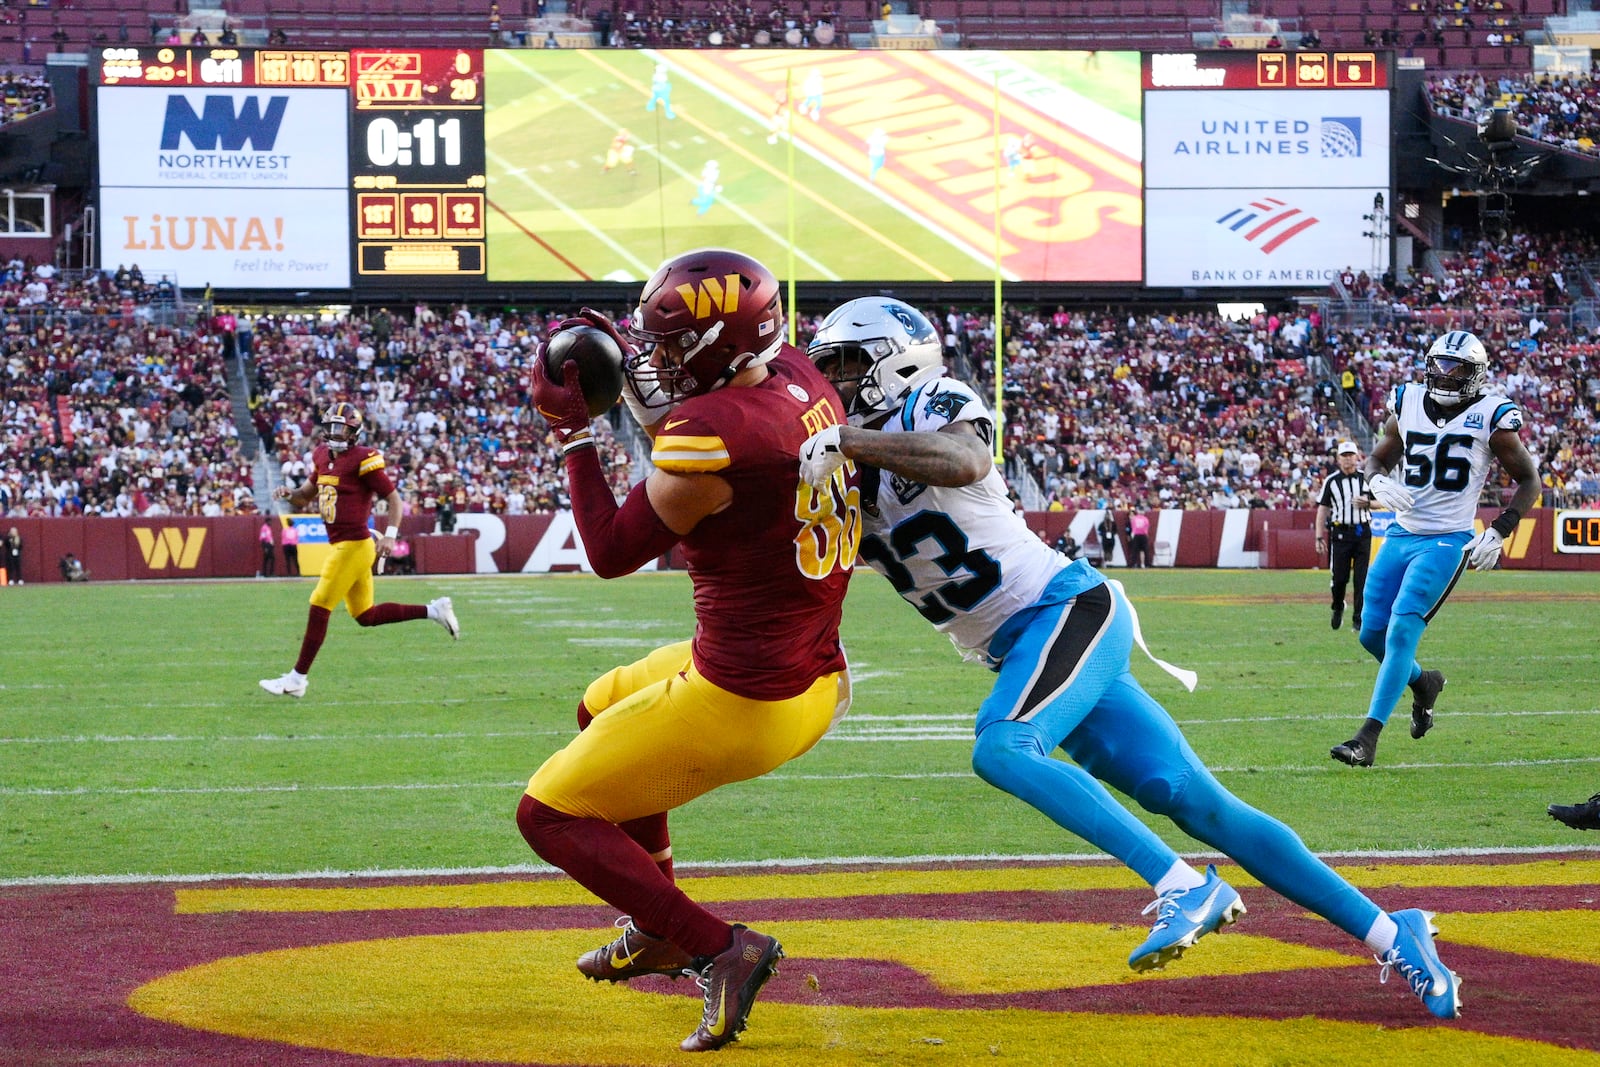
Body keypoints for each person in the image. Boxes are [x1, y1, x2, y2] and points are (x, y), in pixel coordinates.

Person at [796, 297, 1462, 1020]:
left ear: (895, 356)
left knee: (1004, 746)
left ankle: (1182, 884)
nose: (835, 379)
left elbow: (965, 458)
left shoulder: (931, 401)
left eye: (847, 362)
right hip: (1024, 645)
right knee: (1200, 803)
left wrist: (848, 441)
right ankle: (1397, 932)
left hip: (1066, 609)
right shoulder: (844, 461)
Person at [513, 249, 859, 1053]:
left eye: (674, 346)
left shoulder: (716, 435)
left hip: (745, 699)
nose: (658, 362)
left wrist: (571, 435)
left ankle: (715, 946)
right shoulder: (800, 378)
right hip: (810, 668)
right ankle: (656, 921)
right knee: (598, 705)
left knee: (549, 813)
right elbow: (710, 430)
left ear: (721, 345)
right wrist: (633, 389)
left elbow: (607, 548)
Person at [1331, 331, 1540, 767]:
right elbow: (1378, 458)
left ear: (1475, 374)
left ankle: (1366, 737)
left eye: (1456, 368)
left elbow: (1529, 480)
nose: (1445, 376)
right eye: (1440, 365)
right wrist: (1375, 479)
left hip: (1447, 539)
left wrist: (1500, 530)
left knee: (1401, 633)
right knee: (1371, 634)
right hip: (1402, 534)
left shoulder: (1491, 415)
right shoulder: (1406, 400)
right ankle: (1424, 683)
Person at [259, 402, 459, 699]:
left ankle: (297, 678)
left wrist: (390, 536)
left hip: (354, 544)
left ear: (354, 432)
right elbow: (304, 497)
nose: (335, 433)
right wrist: (289, 493)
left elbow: (392, 499)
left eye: (342, 428)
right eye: (332, 427)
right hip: (345, 544)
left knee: (320, 604)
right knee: (365, 615)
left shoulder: (363, 459)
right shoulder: (321, 457)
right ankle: (434, 610)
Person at [1314, 441, 1373, 631]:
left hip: (1362, 532)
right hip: (1340, 533)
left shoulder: (1367, 478)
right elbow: (1323, 509)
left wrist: (1368, 503)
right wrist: (1318, 536)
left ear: (1357, 457)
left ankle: (1358, 620)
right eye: (1344, 456)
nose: (1348, 459)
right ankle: (1338, 605)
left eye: (1351, 455)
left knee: (1361, 579)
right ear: (1339, 459)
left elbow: (1381, 500)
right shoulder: (1331, 481)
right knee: (1339, 578)